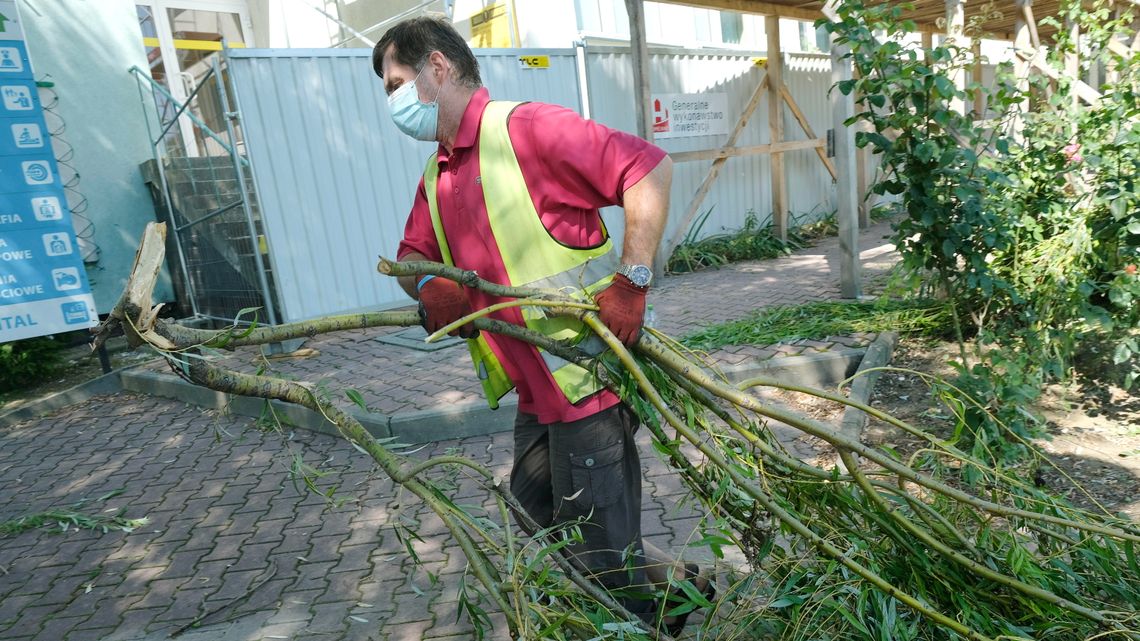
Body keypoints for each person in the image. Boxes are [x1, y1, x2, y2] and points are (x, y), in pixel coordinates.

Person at [372, 15, 712, 633]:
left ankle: (649, 617)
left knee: (598, 557)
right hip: (537, 392)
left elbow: (648, 169)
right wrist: (429, 285)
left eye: (396, 82)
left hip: (588, 384)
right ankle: (684, 585)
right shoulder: (439, 173)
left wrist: (632, 281)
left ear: (437, 69)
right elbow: (410, 257)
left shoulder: (526, 131)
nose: (391, 101)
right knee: (538, 515)